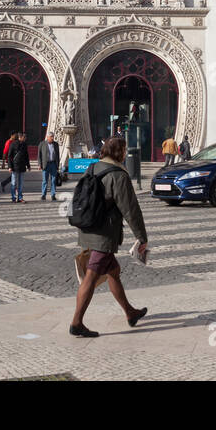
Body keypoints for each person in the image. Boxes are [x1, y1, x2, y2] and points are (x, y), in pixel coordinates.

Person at [69, 137, 149, 337]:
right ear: (119, 152)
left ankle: (130, 313)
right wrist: (141, 237)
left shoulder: (93, 167)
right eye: (123, 150)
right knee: (91, 276)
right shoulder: (118, 175)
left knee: (113, 271)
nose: (125, 154)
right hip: (103, 235)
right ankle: (77, 322)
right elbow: (130, 209)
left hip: (87, 227)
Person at [39, 132, 61, 201]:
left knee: (53, 180)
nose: (52, 138)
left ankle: (53, 195)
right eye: (51, 136)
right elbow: (39, 155)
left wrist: (58, 165)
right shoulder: (42, 144)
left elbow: (57, 155)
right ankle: (43, 195)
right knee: (45, 180)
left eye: (53, 136)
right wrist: (40, 164)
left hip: (53, 164)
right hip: (46, 164)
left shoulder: (56, 144)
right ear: (47, 137)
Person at [9, 132, 30, 202]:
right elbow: (9, 156)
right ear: (20, 137)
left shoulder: (24, 144)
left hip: (22, 166)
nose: (25, 138)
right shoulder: (13, 144)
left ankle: (20, 197)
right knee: (14, 182)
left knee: (20, 183)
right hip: (15, 166)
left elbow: (26, 156)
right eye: (24, 137)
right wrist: (10, 166)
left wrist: (28, 165)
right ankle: (13, 197)